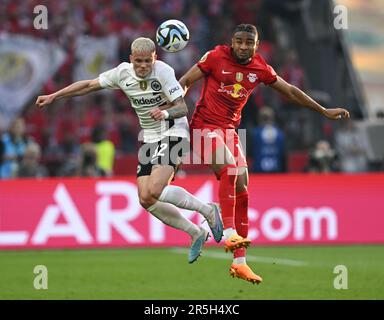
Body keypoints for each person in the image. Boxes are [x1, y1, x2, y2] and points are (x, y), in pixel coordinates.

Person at [178, 24, 350, 284]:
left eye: (249, 43)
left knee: (243, 183)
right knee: (230, 168)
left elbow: (290, 91)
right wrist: (173, 109)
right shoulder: (215, 57)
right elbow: (185, 82)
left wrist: (323, 110)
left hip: (229, 131)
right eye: (239, 41)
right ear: (232, 42)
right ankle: (228, 231)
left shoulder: (259, 68)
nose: (243, 46)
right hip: (203, 127)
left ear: (256, 45)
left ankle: (240, 262)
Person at [36, 37, 223, 263]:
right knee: (146, 199)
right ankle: (196, 232)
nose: (143, 66)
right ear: (131, 59)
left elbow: (182, 107)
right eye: (139, 61)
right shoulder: (122, 73)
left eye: (148, 61)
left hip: (174, 131)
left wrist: (164, 113)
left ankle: (208, 210)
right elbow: (88, 85)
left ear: (155, 58)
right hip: (149, 137)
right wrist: (55, 96)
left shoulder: (163, 71)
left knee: (155, 188)